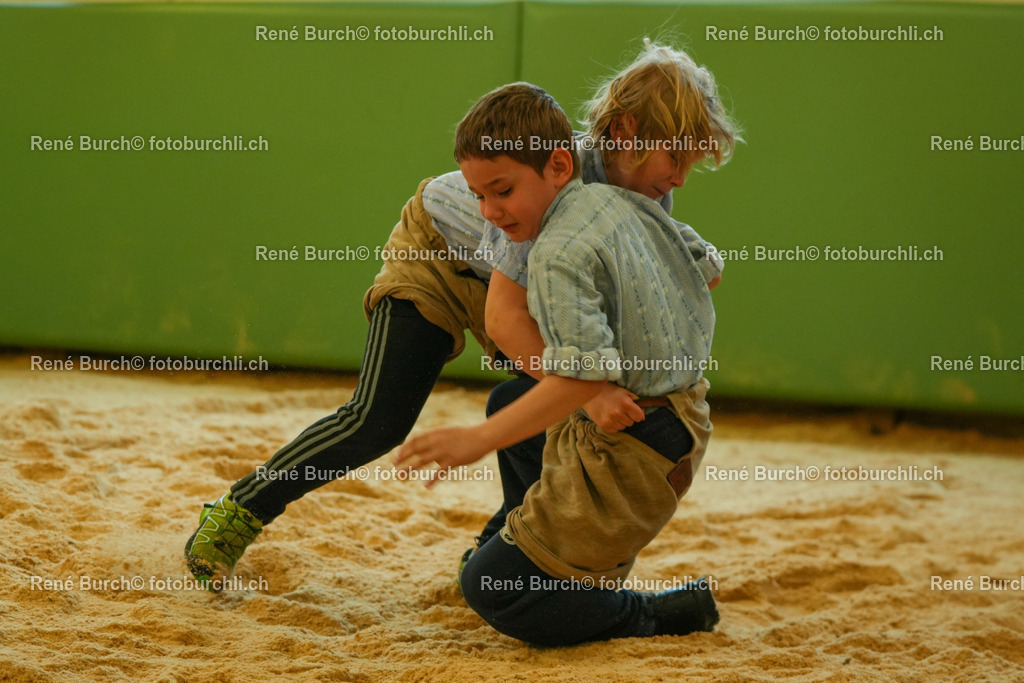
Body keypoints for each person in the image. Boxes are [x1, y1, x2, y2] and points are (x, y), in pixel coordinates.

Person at [183, 39, 735, 592]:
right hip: (439, 260)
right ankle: (238, 512)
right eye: (677, 158)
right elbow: (504, 318)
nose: (682, 177)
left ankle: (505, 543)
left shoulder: (647, 191)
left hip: (516, 288)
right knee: (379, 420)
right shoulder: (555, 185)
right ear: (626, 133)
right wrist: (590, 391)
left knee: (536, 405)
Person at [393, 77, 730, 646]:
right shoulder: (626, 202)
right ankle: (538, 545)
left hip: (645, 438)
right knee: (513, 401)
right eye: (481, 198)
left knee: (490, 586)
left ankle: (647, 613)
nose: (491, 213)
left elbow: (581, 377)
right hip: (682, 412)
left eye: (501, 193)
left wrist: (474, 441)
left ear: (558, 166)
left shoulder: (559, 249)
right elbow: (709, 263)